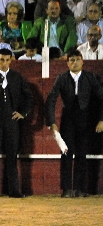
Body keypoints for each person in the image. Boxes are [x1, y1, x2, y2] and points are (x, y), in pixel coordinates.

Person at [45, 48, 103, 197]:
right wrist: (52, 122)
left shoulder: (90, 77)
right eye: (71, 60)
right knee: (66, 153)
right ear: (67, 63)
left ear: (82, 61)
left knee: (81, 155)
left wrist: (101, 120)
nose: (74, 62)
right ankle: (66, 189)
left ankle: (78, 189)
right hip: (68, 119)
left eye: (77, 59)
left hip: (86, 119)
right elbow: (51, 100)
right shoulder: (62, 78)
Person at [0, 48, 32, 198]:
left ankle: (14, 190)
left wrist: (23, 113)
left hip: (12, 122)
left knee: (12, 156)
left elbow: (29, 97)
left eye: (7, 60)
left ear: (11, 60)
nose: (4, 63)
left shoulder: (17, 77)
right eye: (1, 60)